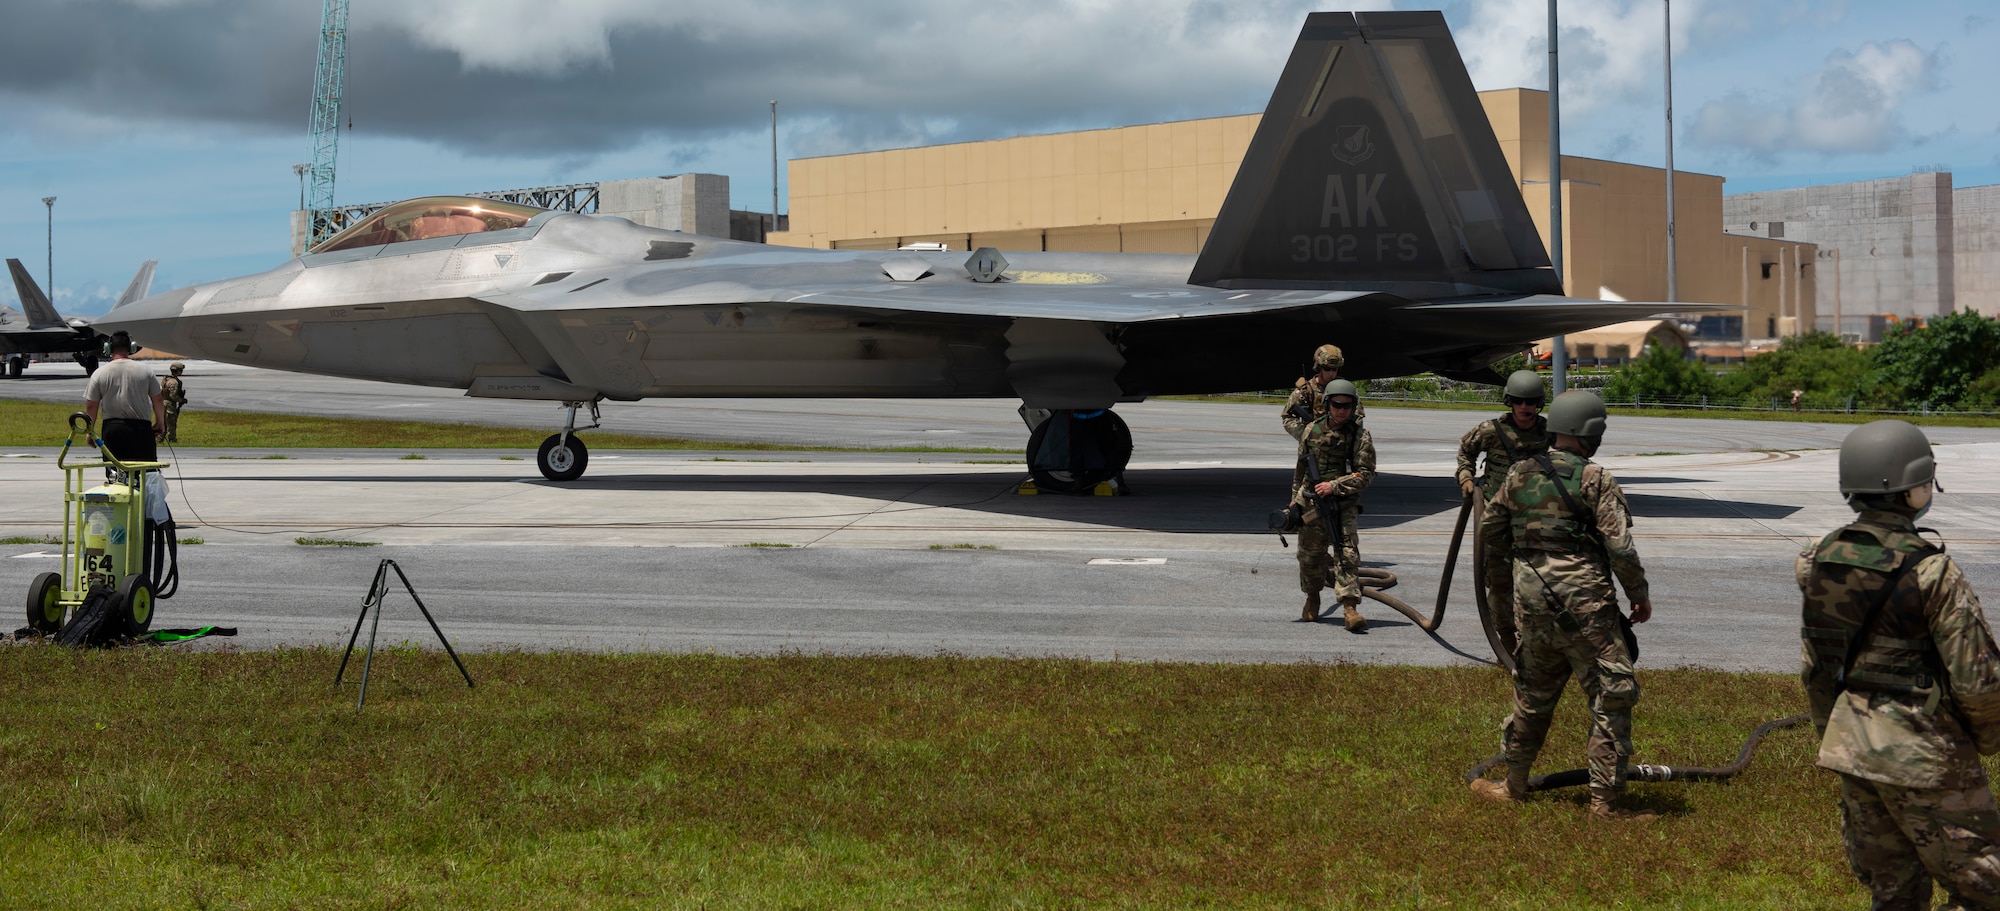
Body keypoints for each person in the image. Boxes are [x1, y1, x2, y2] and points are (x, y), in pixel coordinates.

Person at [1798, 420, 2000, 908]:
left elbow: (1817, 665)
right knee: (1987, 886)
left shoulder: (1818, 558)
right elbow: (1978, 681)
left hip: (1853, 744)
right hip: (1925, 750)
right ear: (1910, 489)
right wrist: (1987, 742)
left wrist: (1833, 729)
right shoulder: (1932, 569)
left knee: (1894, 889)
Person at [1471, 390, 1653, 818]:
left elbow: (1489, 530)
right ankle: (1604, 804)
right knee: (1612, 697)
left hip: (1533, 608)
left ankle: (1512, 786)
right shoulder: (1595, 479)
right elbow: (1621, 549)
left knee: (1532, 697)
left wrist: (1525, 561)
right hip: (1587, 611)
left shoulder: (1517, 475)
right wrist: (1639, 597)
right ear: (1592, 432)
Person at [1455, 369, 1552, 648]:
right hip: (1497, 519)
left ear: (1539, 403)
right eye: (1519, 401)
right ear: (1509, 401)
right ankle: (1506, 641)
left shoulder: (1549, 432)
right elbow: (1465, 450)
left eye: (1531, 402)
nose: (1525, 407)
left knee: (1536, 581)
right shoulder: (1491, 430)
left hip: (1535, 519)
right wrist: (1465, 477)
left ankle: (1532, 640)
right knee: (1499, 583)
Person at [1291, 379, 1375, 631]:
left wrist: (1334, 486)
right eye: (1337, 405)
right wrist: (1295, 499)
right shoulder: (1310, 430)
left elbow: (1366, 473)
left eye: (1347, 406)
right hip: (1312, 501)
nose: (1342, 410)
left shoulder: (1359, 435)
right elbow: (1301, 468)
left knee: (1346, 552)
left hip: (1343, 503)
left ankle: (1350, 608)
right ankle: (1312, 597)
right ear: (1328, 404)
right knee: (1310, 555)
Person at [82, 331, 164, 464]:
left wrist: (89, 431)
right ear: (131, 348)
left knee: (115, 471)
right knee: (144, 472)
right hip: (140, 429)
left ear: (108, 348)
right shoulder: (146, 370)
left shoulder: (99, 373)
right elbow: (158, 400)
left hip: (113, 429)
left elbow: (92, 406)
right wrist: (160, 423)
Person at [1283, 344, 1358, 441]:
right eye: (1327, 369)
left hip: (1341, 444)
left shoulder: (1345, 390)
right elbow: (1288, 417)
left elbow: (1357, 417)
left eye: (1334, 369)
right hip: (1314, 445)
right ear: (1319, 367)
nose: (1331, 373)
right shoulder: (1306, 391)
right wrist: (1307, 435)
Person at [161, 362, 188, 443]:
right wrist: (182, 400)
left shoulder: (166, 379)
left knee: (164, 422)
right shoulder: (174, 382)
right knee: (171, 423)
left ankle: (160, 438)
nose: (182, 372)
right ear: (177, 371)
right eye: (181, 370)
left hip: (164, 403)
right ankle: (172, 439)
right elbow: (173, 396)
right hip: (169, 404)